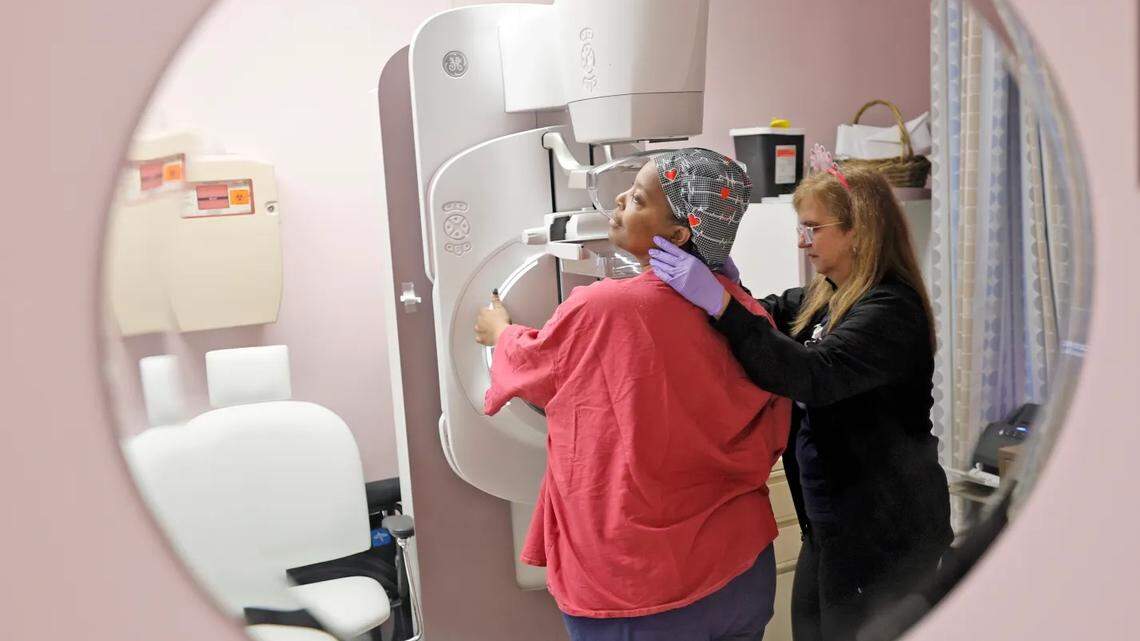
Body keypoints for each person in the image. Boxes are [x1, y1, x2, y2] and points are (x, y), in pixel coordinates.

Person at [474, 148, 791, 641]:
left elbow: (534, 367)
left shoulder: (604, 309)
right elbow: (773, 428)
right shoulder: (746, 313)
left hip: (639, 589)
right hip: (740, 570)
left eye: (639, 198)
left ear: (679, 235)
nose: (619, 199)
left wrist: (501, 334)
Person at [649, 153, 952, 641]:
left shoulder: (892, 311)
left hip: (888, 534)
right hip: (830, 527)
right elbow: (766, 320)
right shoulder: (826, 297)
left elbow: (811, 375)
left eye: (812, 228)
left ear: (859, 232)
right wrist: (728, 286)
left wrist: (723, 303)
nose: (800, 241)